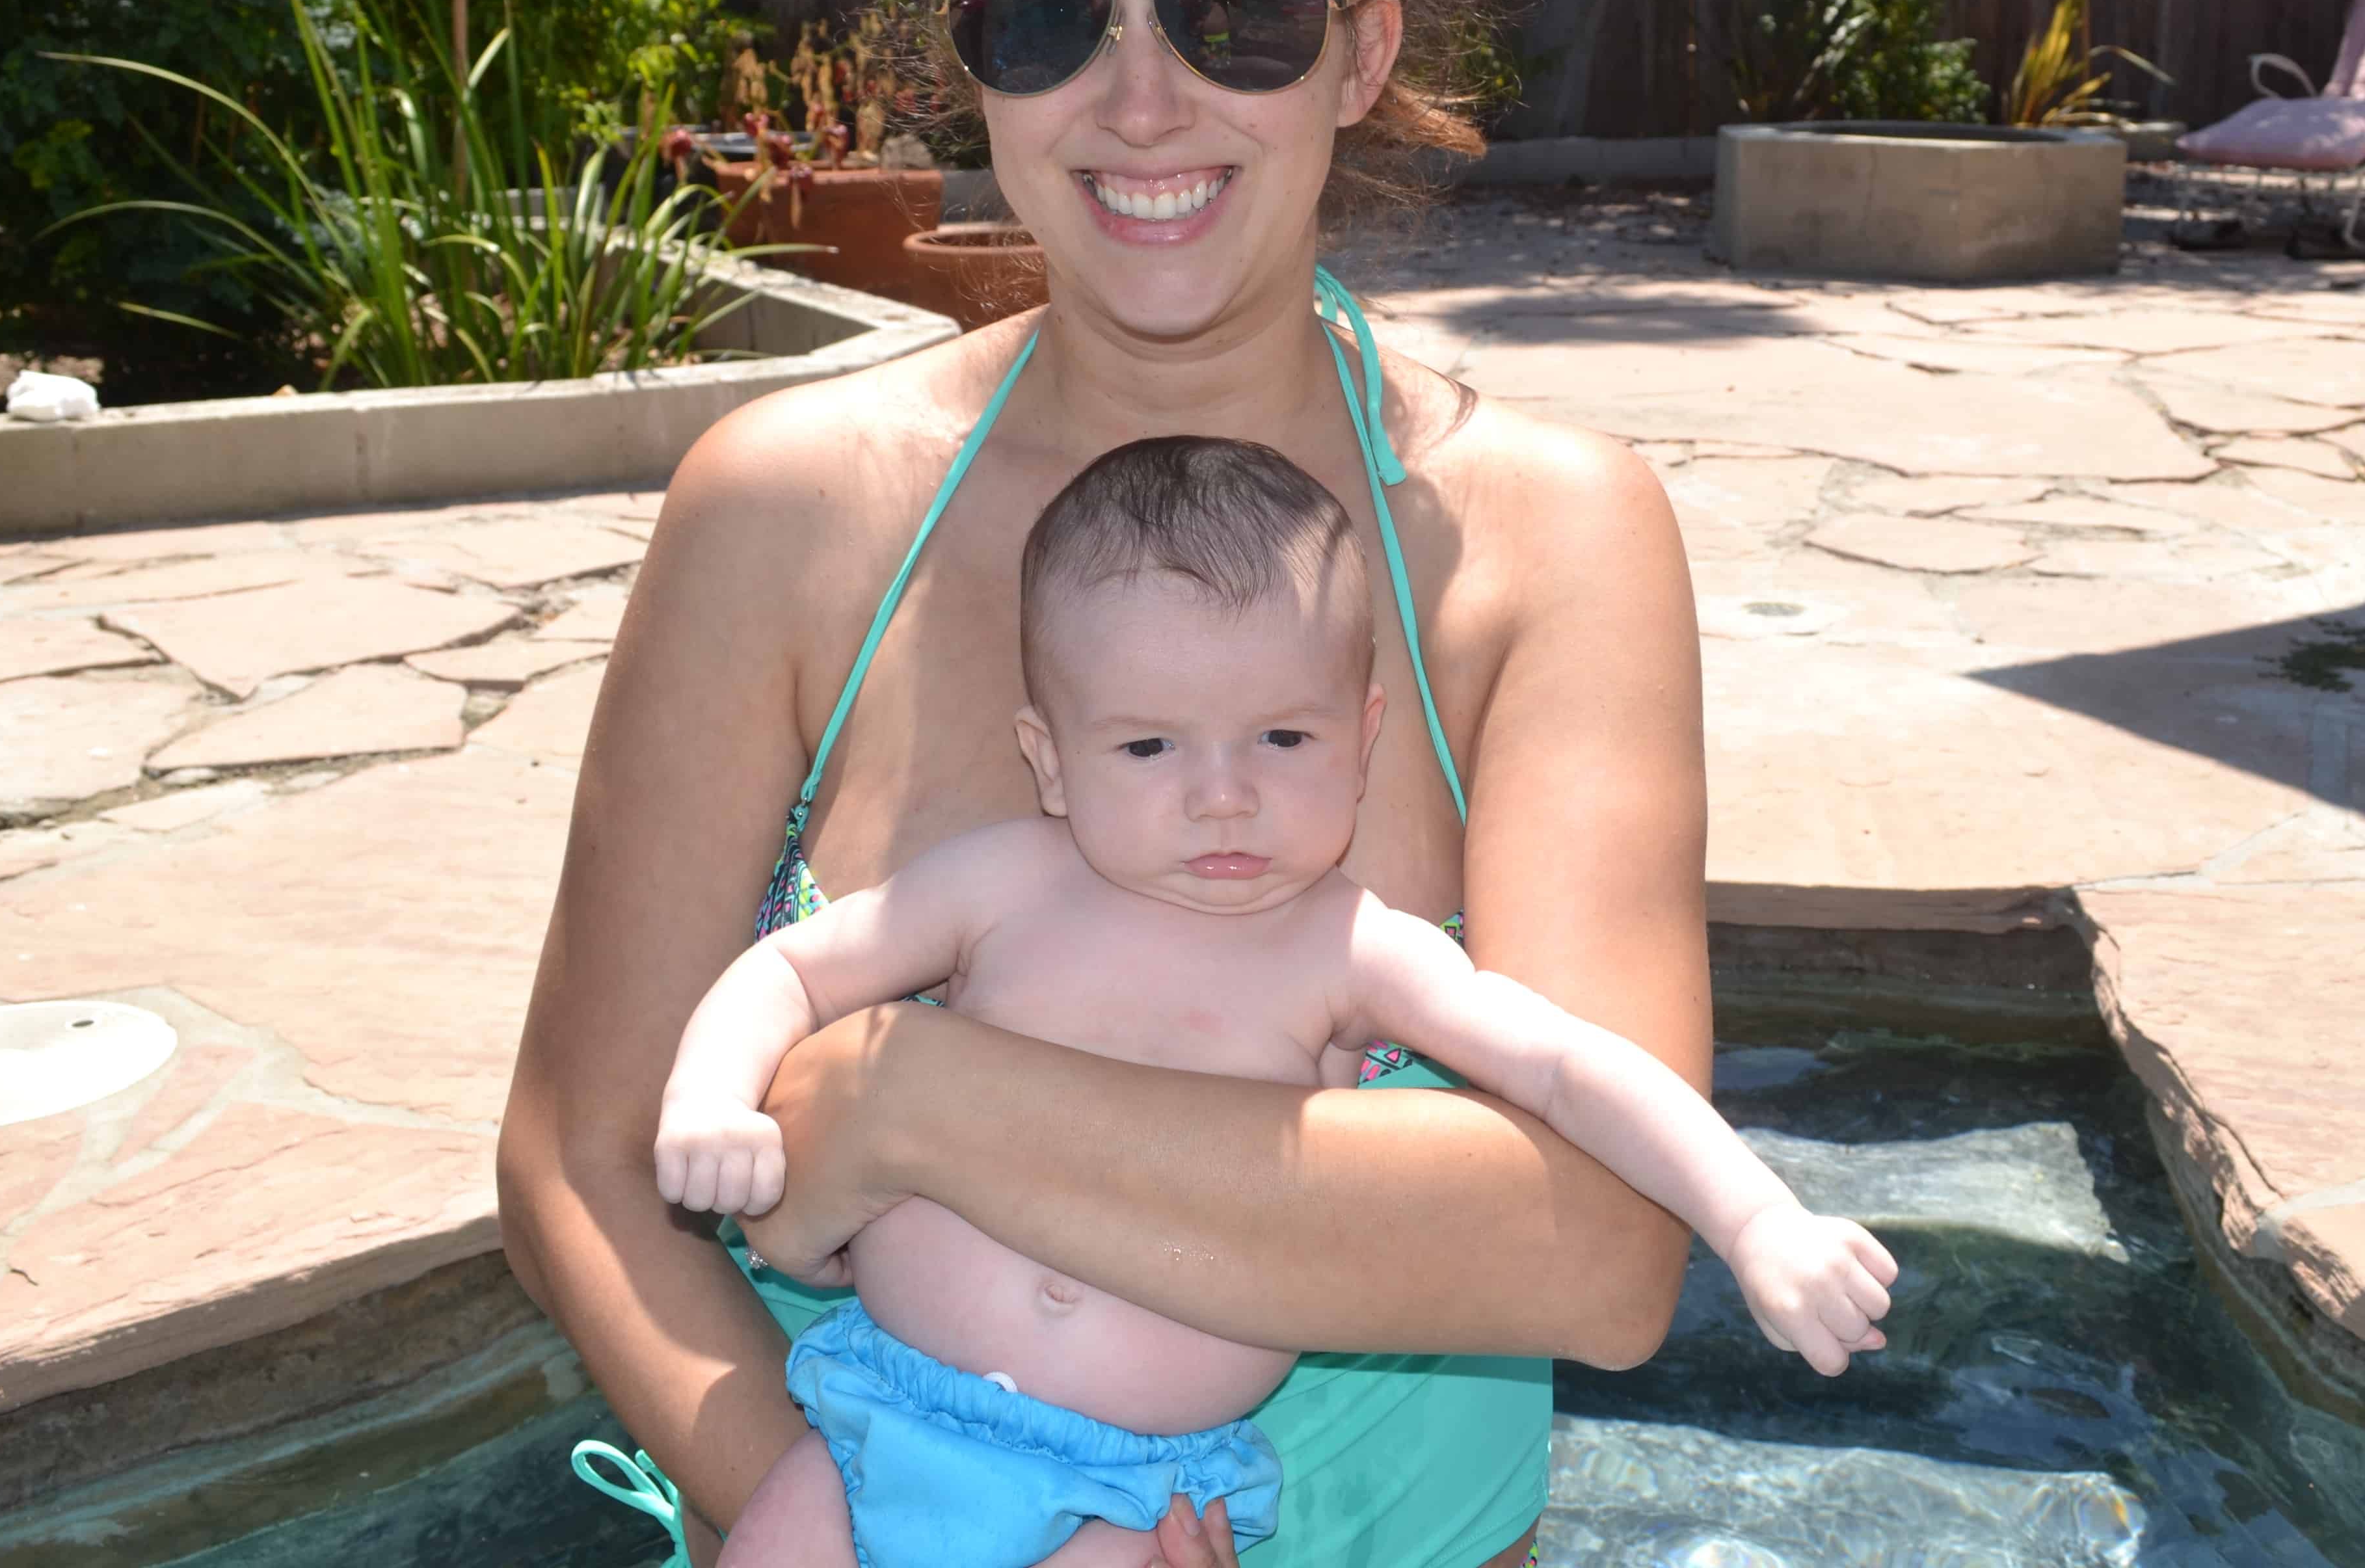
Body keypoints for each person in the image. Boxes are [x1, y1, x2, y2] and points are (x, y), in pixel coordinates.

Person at [500, 0, 1720, 1568]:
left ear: (1364, 49)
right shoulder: (790, 512)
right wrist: (879, 1533)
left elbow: (1601, 1248)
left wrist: (904, 1109)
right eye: (1048, 16)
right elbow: (575, 1160)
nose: (1138, 98)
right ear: (972, 56)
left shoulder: (1540, 542)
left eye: (1233, 12)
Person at [654, 438, 1897, 1567]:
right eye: (1149, 748)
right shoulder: (1001, 886)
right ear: (1049, 758)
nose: (1223, 796)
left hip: (1127, 1501)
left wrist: (1756, 1221)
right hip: (881, 1417)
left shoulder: (1354, 954)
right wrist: (714, 1096)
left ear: (1362, 739)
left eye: (1282, 741)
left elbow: (1573, 1068)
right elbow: (791, 971)